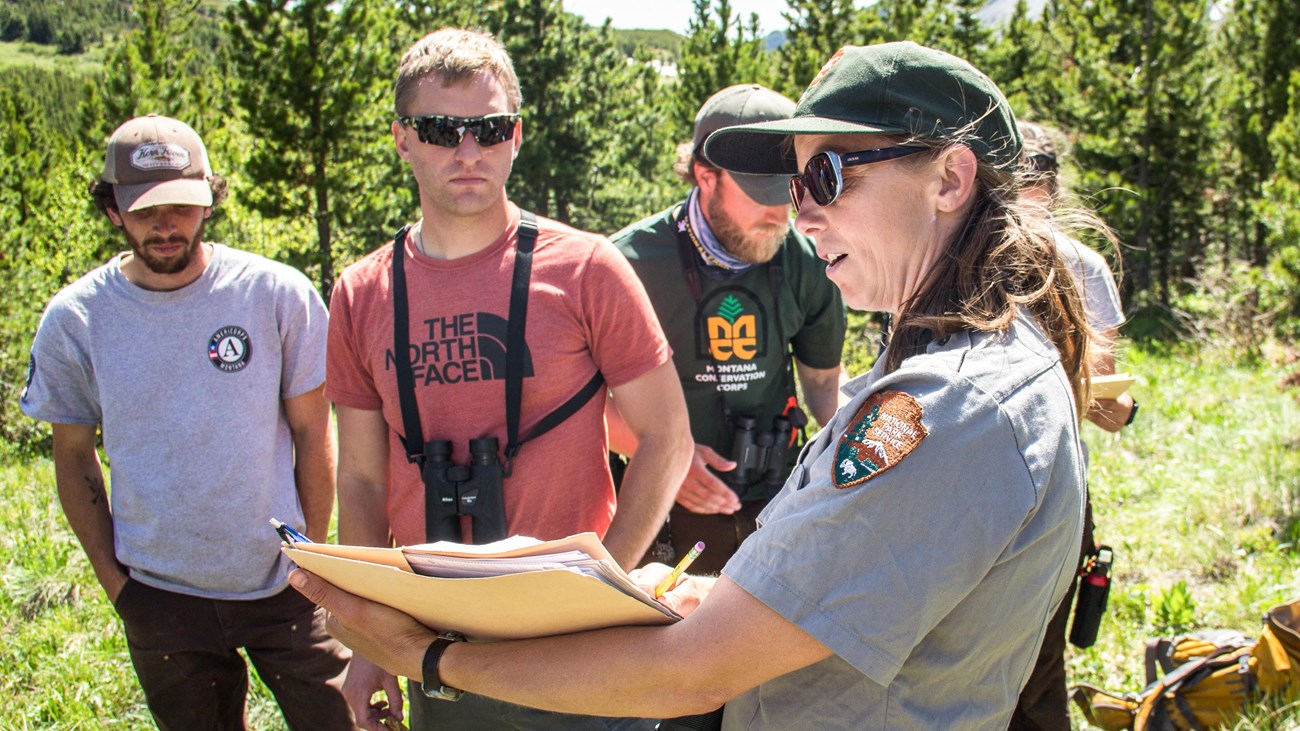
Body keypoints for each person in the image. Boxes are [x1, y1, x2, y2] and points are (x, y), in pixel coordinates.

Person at [293, 41, 1105, 729]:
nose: (802, 214)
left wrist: (428, 655)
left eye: (825, 177)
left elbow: (691, 673)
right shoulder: (984, 363)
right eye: (792, 185)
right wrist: (704, 592)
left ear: (950, 179)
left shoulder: (943, 406)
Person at [324, 28, 691, 731]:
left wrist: (604, 583)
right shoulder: (361, 292)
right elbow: (363, 481)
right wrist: (366, 639)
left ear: (516, 136)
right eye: (440, 129)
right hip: (435, 638)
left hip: (581, 645)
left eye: (489, 129)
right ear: (402, 139)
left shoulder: (586, 268)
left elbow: (667, 438)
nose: (468, 151)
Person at [20, 115, 352, 730]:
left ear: (209, 201)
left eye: (181, 205)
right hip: (161, 594)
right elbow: (71, 455)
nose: (165, 224)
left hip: (286, 582)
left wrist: (315, 557)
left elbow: (314, 430)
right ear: (113, 210)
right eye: (144, 209)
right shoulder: (78, 319)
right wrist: (121, 589)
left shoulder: (276, 293)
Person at [609, 83, 846, 574]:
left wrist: (860, 454)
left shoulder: (811, 260)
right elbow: (579, 401)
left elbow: (823, 383)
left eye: (791, 191)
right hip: (659, 508)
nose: (781, 215)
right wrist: (659, 455)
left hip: (775, 500)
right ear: (705, 176)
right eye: (761, 194)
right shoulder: (625, 265)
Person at [1010, 120, 1136, 731]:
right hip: (967, 489)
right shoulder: (949, 262)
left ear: (1054, 197)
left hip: (1054, 488)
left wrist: (1082, 390)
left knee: (1038, 667)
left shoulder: (1083, 268)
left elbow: (1109, 406)